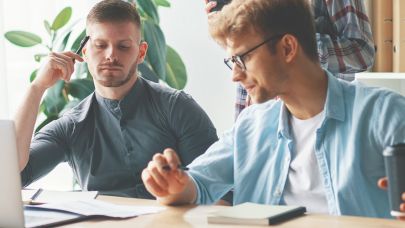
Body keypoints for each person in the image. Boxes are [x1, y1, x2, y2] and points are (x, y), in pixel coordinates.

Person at [142, 0, 405, 219]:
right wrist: (173, 186)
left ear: (288, 48)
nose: (235, 75)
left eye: (242, 58)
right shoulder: (250, 126)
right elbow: (196, 184)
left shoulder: (385, 115)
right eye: (231, 61)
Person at [14, 0, 218, 199]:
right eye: (100, 45)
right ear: (85, 52)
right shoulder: (71, 126)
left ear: (141, 52)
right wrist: (36, 88)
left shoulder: (177, 107)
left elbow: (219, 188)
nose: (111, 55)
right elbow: (13, 176)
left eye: (123, 46)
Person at [206, 0, 375, 119]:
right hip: (257, 115)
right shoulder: (249, 125)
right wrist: (229, 27)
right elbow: (246, 52)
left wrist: (300, 40)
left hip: (322, 117)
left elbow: (362, 53)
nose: (234, 75)